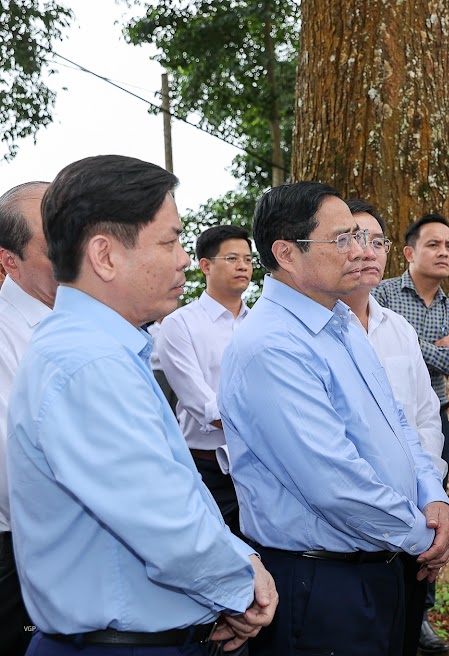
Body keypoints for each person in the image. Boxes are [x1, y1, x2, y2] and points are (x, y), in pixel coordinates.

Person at [5, 155, 277, 655]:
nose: (182, 259)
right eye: (169, 240)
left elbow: (179, 490)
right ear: (105, 256)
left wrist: (236, 573)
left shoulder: (105, 349)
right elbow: (164, 522)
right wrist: (244, 586)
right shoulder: (86, 362)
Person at [220, 182, 449, 656]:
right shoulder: (271, 346)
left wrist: (434, 497)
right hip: (320, 582)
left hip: (380, 562)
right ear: (286, 253)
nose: (359, 251)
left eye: (362, 237)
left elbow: (399, 424)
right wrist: (423, 536)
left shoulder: (342, 324)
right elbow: (333, 481)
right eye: (342, 239)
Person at [340, 199, 448, 656]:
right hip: (349, 535)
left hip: (415, 520)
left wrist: (430, 494)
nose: (368, 251)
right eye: (354, 238)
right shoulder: (318, 333)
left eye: (377, 241)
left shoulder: (400, 329)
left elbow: (425, 416)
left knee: (403, 636)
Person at [372, 212, 449, 652]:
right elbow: (373, 349)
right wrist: (436, 349)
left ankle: (421, 612)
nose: (444, 253)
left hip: (435, 421)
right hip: (383, 421)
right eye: (434, 245)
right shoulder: (381, 293)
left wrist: (412, 345)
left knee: (432, 512)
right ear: (409, 253)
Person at [157, 225, 253, 535]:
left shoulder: (261, 324)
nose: (243, 266)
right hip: (207, 467)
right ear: (205, 265)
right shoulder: (179, 325)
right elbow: (205, 407)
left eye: (249, 259)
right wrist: (271, 422)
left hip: (262, 466)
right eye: (232, 257)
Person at [0, 181, 54, 655]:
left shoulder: (95, 321)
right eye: (53, 237)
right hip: (23, 548)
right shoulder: (6, 335)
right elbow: (12, 467)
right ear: (9, 261)